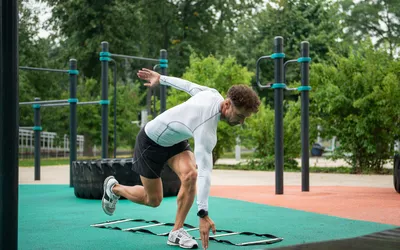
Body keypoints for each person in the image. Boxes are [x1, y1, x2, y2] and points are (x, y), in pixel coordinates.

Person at [101, 68, 261, 249]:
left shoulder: (212, 94)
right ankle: (115, 189)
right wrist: (203, 214)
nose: (241, 122)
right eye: (240, 116)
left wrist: (161, 79)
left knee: (190, 174)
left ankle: (176, 231)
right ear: (226, 105)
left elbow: (188, 86)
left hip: (175, 140)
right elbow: (206, 172)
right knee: (153, 200)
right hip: (150, 142)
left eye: (244, 118)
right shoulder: (206, 126)